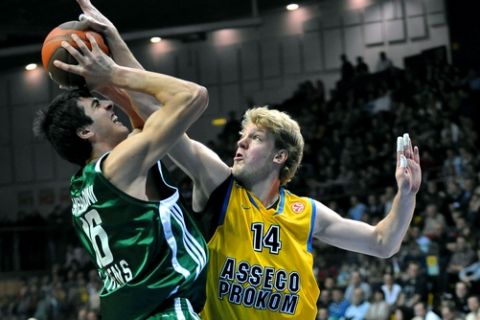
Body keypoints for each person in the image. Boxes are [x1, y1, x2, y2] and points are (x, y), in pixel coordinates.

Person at [34, 0, 209, 318]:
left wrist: (113, 57)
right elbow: (193, 96)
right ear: (85, 132)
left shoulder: (84, 186)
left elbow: (147, 115)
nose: (108, 106)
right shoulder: (119, 166)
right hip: (164, 310)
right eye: (96, 105)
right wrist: (114, 74)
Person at [164, 103, 421, 318]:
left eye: (255, 138)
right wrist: (121, 70)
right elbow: (164, 124)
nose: (241, 142)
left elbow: (383, 243)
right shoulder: (220, 189)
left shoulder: (307, 213)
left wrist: (407, 194)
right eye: (243, 136)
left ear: (279, 157)